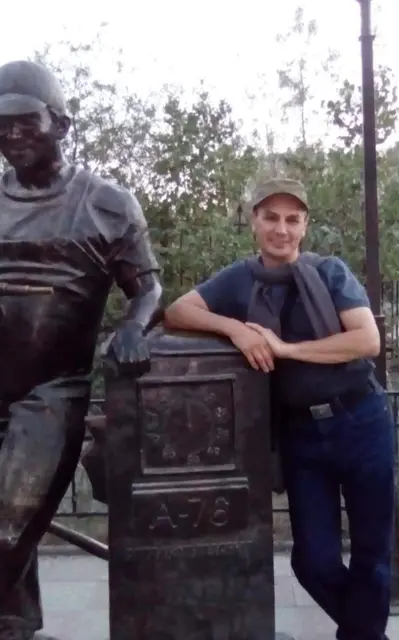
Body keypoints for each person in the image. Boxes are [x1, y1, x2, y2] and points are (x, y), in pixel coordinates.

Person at [165, 177, 396, 640]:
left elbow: (366, 341)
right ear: (254, 221)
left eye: (293, 219)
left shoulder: (329, 272)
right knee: (312, 561)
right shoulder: (239, 279)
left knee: (372, 555)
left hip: (361, 421)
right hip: (300, 435)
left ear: (305, 226)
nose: (282, 229)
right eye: (271, 217)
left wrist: (285, 350)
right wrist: (236, 329)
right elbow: (177, 311)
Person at [0, 60, 162, 640]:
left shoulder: (106, 204)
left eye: (25, 121)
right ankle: (14, 623)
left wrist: (134, 326)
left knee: (6, 529)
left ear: (62, 125)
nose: (11, 135)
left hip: (51, 392)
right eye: (1, 125)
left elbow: (148, 288)